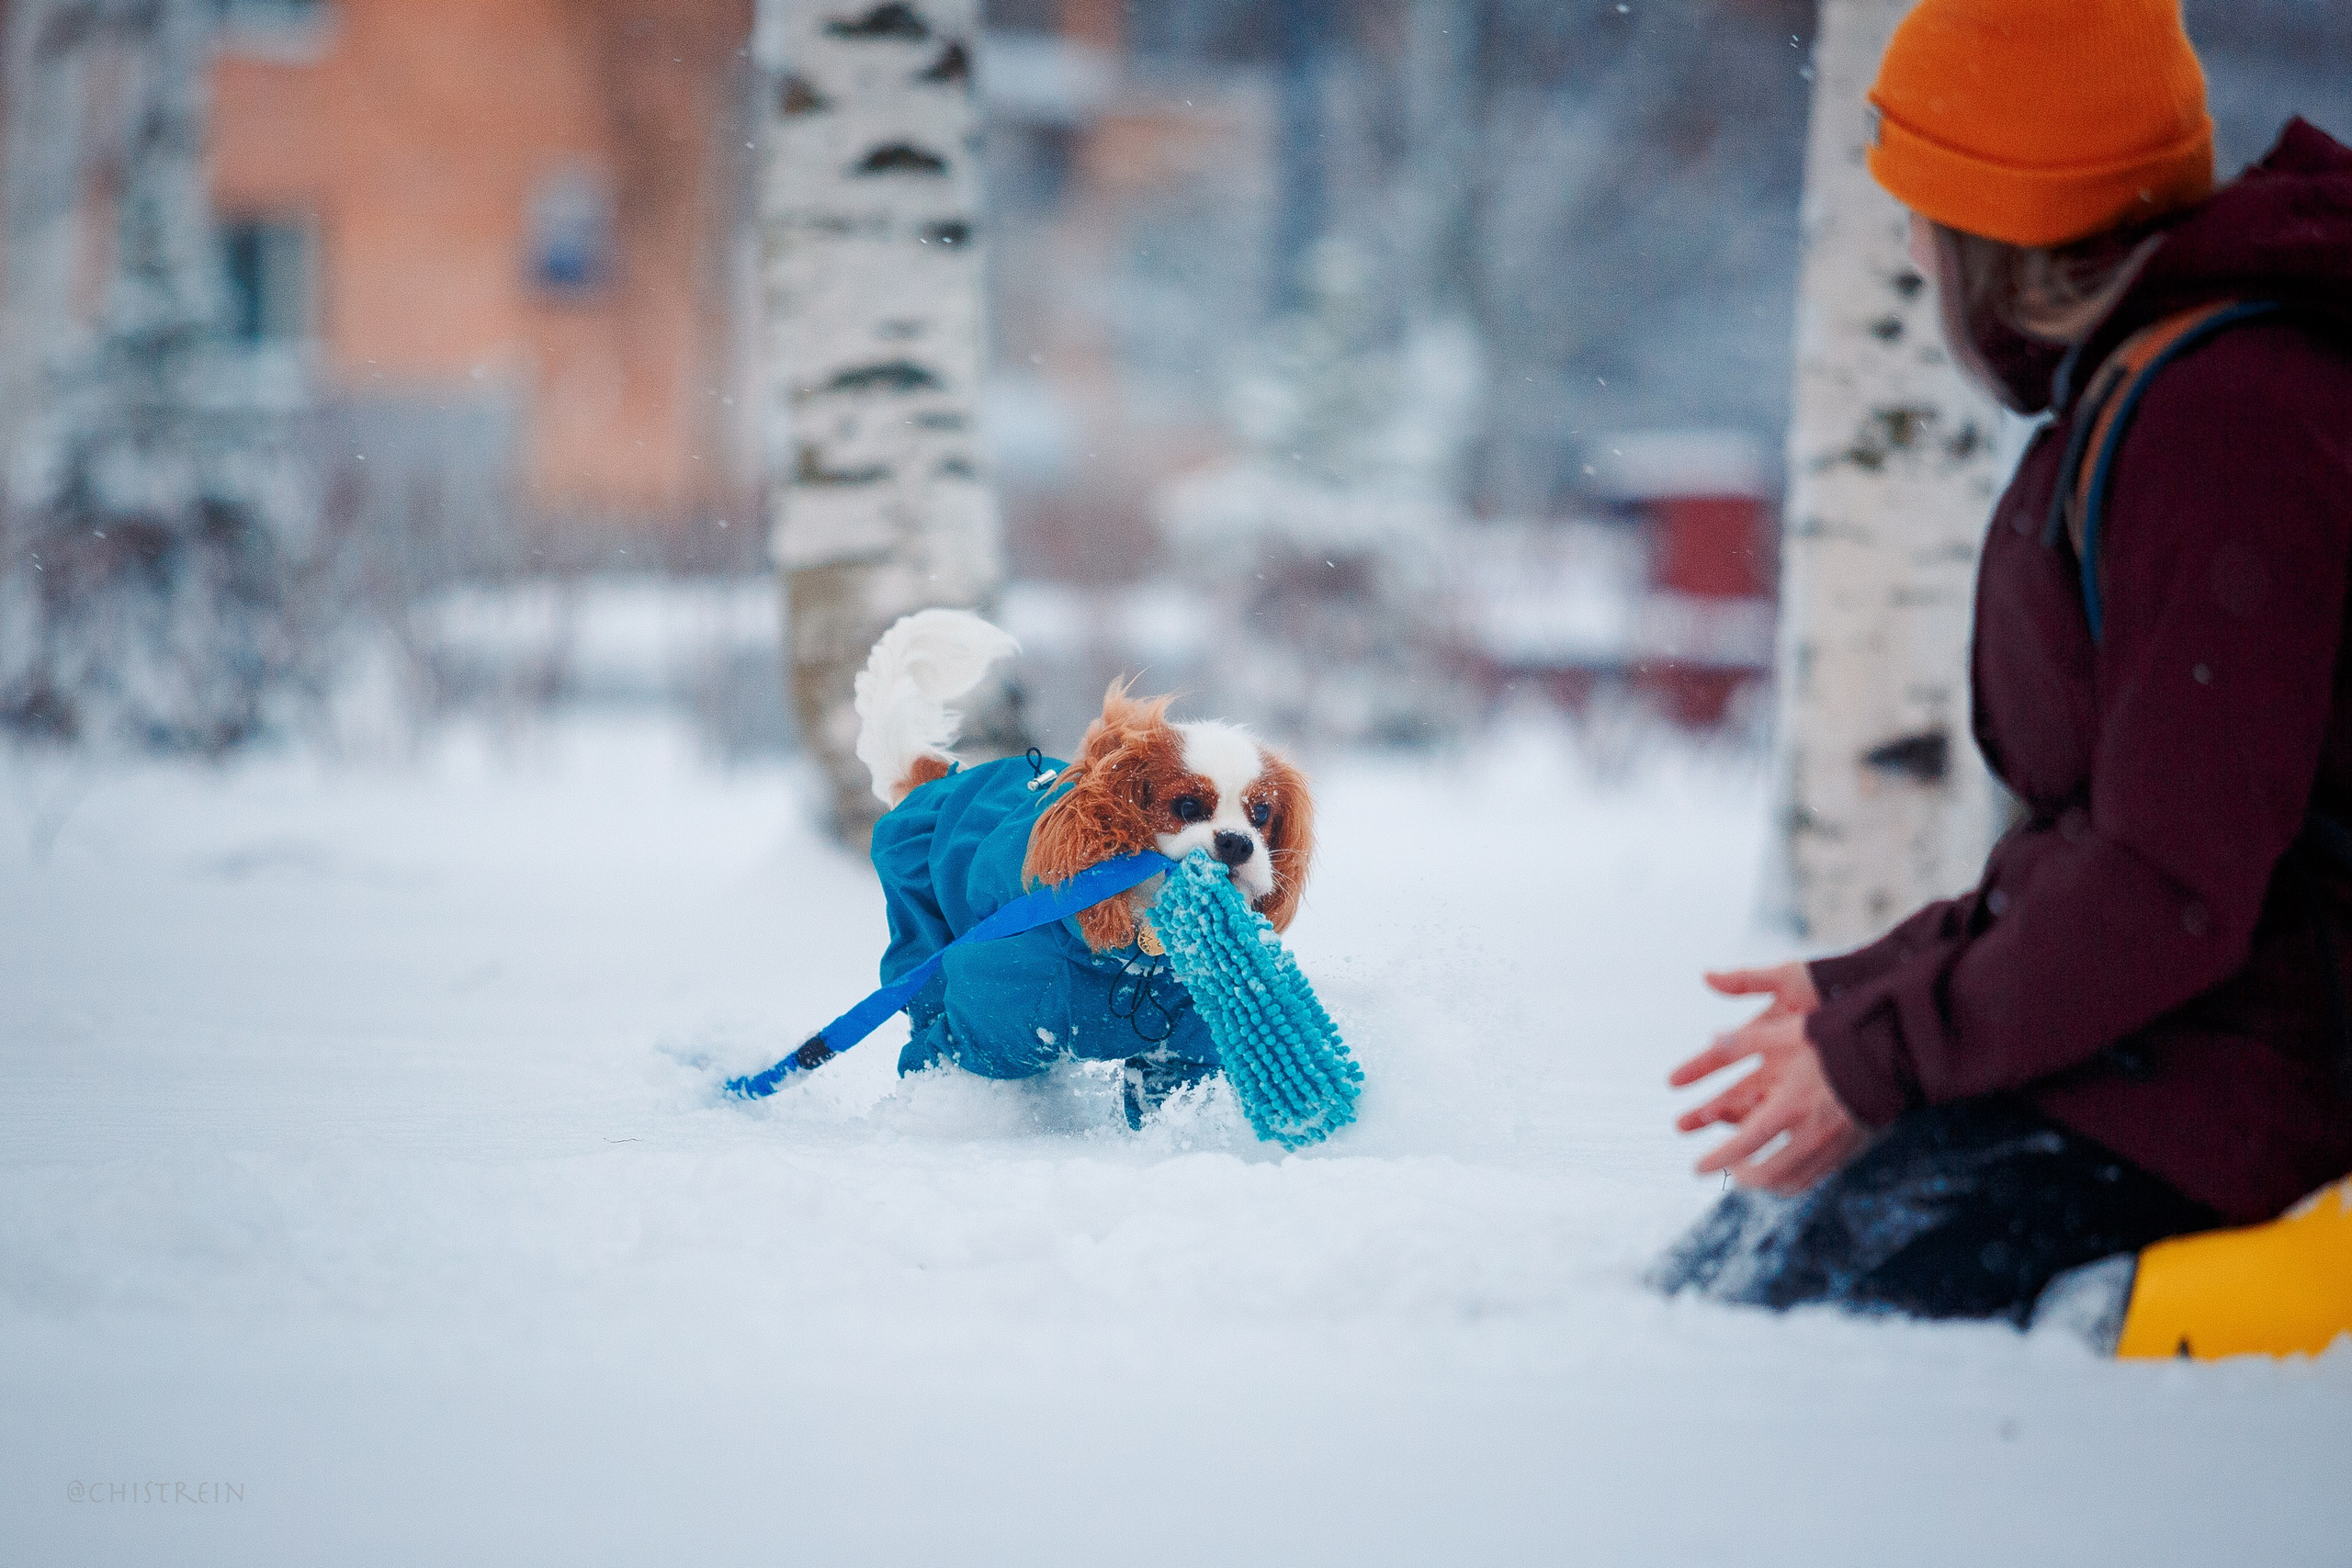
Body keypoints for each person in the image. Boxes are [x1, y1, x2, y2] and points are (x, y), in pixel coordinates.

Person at [1656, 0, 2352, 1325]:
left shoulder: (2228, 415)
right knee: (1747, 1264)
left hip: (2255, 1089)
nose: (1911, 249)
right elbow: (2124, 841)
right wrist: (1872, 991)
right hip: (2194, 1053)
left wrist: (1880, 1059)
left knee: (1801, 1320)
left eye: (1926, 217)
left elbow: (2169, 885)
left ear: (2004, 236)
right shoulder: (2173, 385)